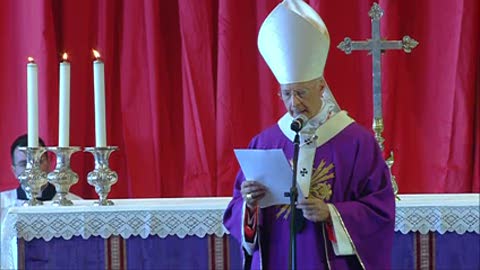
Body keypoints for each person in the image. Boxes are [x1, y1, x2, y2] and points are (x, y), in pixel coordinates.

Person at [223, 1, 395, 269]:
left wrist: (332, 213)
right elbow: (236, 211)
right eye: (287, 94)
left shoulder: (356, 143)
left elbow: (380, 210)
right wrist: (249, 203)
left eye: (302, 93)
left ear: (321, 87)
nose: (294, 104)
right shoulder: (265, 142)